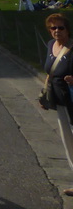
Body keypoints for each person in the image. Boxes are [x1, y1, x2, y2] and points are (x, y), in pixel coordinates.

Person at [43, 13, 73, 197]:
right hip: (61, 102)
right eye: (53, 28)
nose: (56, 31)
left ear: (68, 29)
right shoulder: (50, 45)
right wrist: (45, 96)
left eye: (60, 28)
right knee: (68, 143)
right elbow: (49, 72)